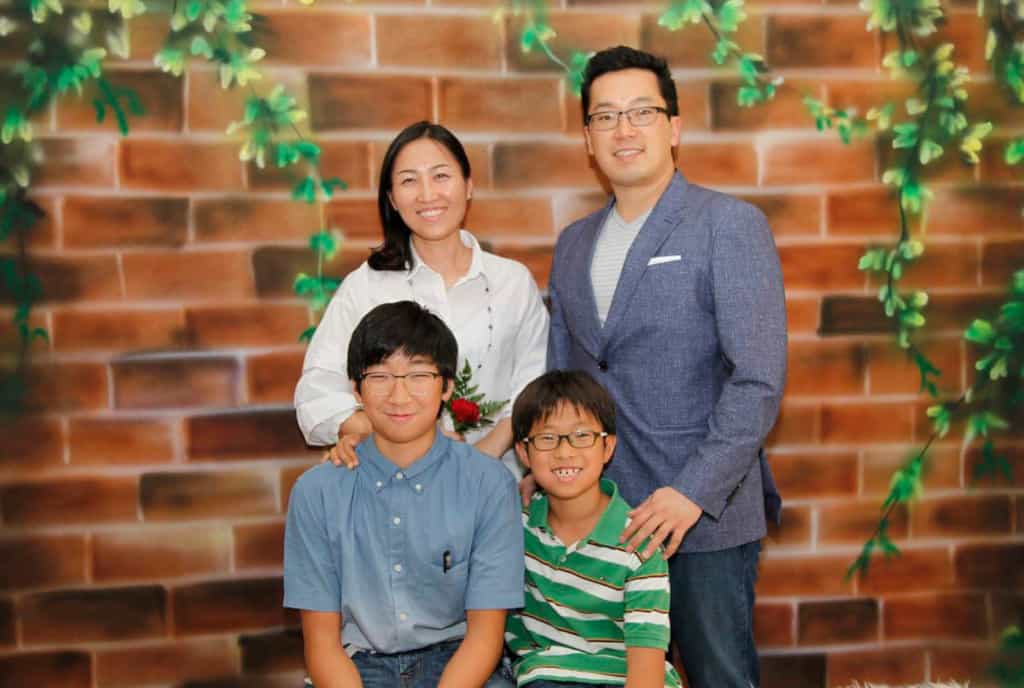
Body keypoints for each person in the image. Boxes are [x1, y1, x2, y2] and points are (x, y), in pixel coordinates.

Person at [540, 46, 787, 688]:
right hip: (602, 517)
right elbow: (564, 383)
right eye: (605, 116)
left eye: (641, 111)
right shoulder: (571, 246)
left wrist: (691, 494)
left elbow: (758, 378)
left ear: (673, 127)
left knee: (716, 676)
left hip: (700, 516)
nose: (624, 129)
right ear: (587, 139)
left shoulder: (727, 225)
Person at [284, 300, 524, 688]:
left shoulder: (488, 484)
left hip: (460, 664)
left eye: (418, 375)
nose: (399, 396)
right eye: (380, 376)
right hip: (356, 665)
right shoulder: (318, 491)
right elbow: (322, 645)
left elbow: (485, 637)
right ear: (356, 389)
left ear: (446, 386)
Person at [295, 121, 549, 475]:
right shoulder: (367, 286)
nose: (427, 194)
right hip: (391, 485)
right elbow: (316, 392)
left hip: (493, 485)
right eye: (409, 181)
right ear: (392, 200)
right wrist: (389, 435)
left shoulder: (512, 282)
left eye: (441, 176)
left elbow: (533, 390)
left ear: (469, 185)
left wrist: (474, 464)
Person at [506, 370, 682, 688]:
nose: (564, 451)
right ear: (523, 452)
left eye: (582, 435)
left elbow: (647, 668)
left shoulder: (638, 541)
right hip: (548, 675)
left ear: (608, 447)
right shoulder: (515, 525)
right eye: (547, 438)